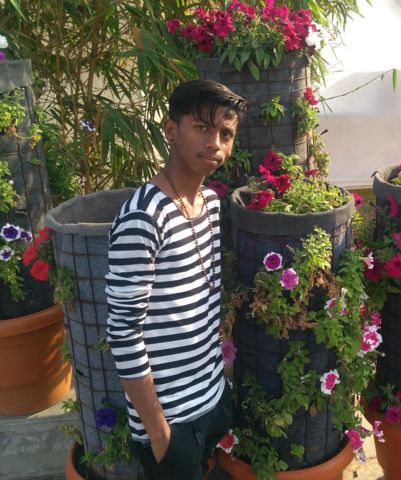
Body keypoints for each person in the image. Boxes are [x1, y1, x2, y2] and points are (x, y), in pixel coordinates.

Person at [105, 79, 248, 480]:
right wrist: (158, 432)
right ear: (171, 130)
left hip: (211, 397)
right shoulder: (143, 217)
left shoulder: (210, 203)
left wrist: (220, 388)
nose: (215, 144)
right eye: (202, 128)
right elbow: (123, 331)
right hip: (170, 419)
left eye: (225, 134)